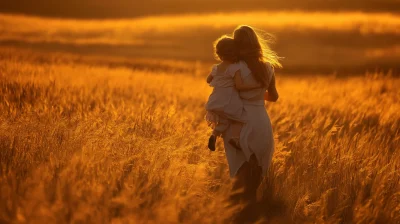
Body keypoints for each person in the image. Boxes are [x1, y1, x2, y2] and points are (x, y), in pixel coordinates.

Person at [222, 26, 281, 220]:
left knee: (239, 176)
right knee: (255, 178)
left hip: (239, 121)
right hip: (260, 122)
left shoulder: (234, 67)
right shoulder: (267, 67)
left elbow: (226, 95)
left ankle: (239, 216)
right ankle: (252, 215)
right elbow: (273, 97)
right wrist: (256, 93)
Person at [205, 36, 261, 151]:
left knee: (224, 121)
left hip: (215, 100)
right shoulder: (234, 68)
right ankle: (235, 139)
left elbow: (208, 80)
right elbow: (239, 86)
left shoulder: (216, 68)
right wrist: (255, 86)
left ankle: (214, 135)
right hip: (229, 101)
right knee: (240, 119)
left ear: (219, 54)